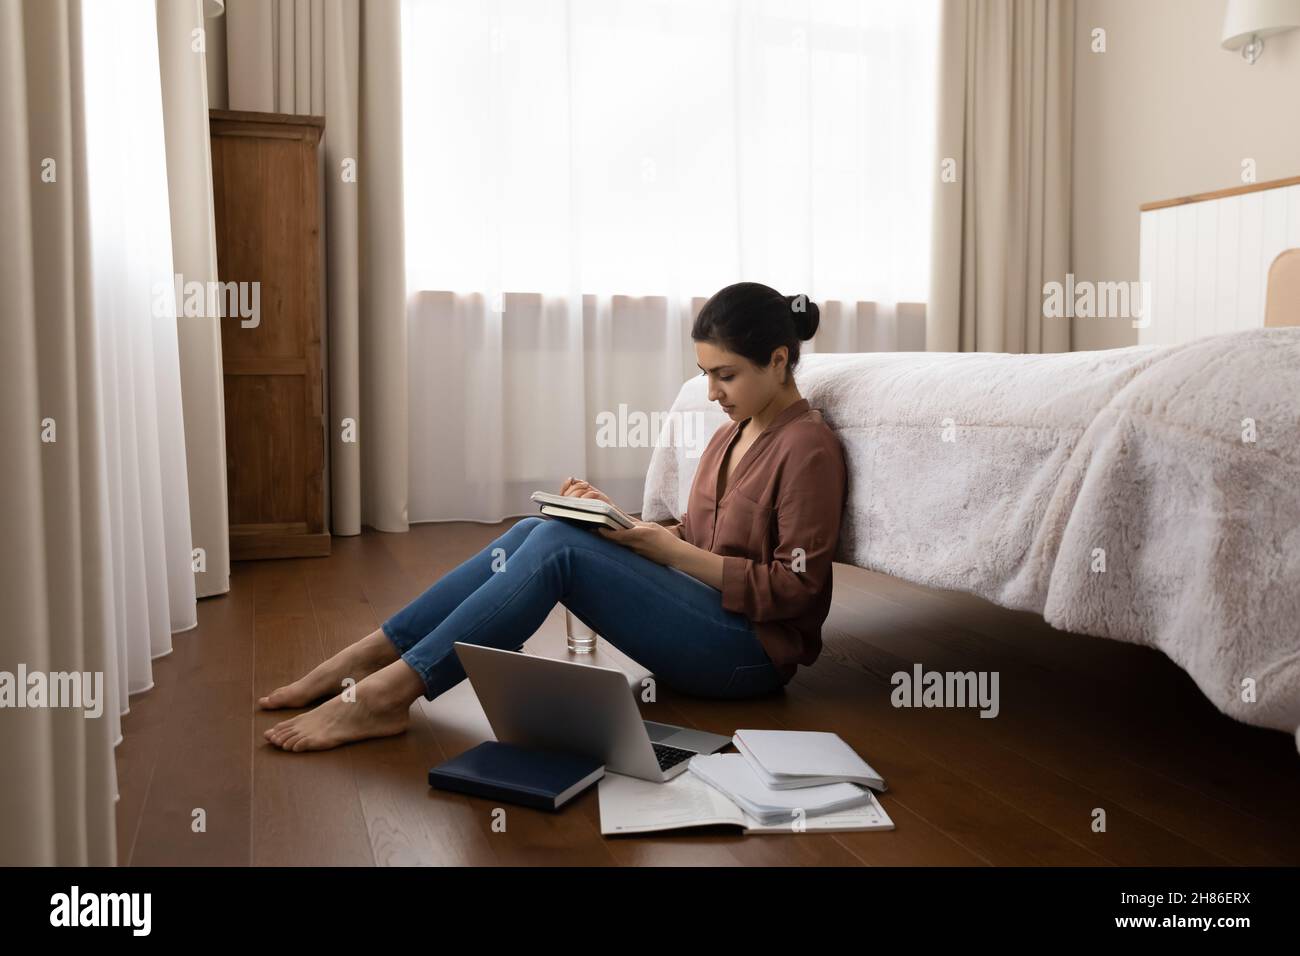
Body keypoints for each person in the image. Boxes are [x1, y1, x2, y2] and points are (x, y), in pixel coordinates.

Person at [261, 281, 848, 751]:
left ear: (778, 361)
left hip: (750, 657)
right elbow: (702, 541)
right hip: (706, 619)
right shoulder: (731, 435)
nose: (712, 392)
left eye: (726, 375)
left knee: (558, 550)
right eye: (705, 375)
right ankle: (370, 655)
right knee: (538, 530)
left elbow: (797, 590)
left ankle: (387, 696)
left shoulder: (807, 448)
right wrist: (617, 523)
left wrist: (663, 550)